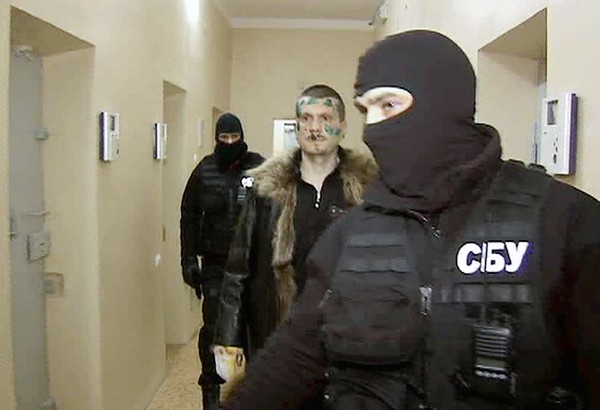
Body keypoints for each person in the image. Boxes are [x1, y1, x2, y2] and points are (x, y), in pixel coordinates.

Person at [218, 31, 600, 410]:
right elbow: (294, 358)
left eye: (388, 104)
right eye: (366, 110)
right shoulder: (351, 233)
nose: (373, 128)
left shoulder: (563, 222)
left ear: (442, 102)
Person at [212, 85, 377, 387]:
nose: (315, 127)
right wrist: (228, 338)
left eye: (325, 118)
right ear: (297, 127)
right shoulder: (265, 189)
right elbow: (237, 269)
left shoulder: (368, 190)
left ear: (342, 127)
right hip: (278, 337)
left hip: (346, 341)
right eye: (306, 118)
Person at [179, 112, 264, 410]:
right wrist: (188, 259)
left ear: (242, 137)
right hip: (215, 265)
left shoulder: (258, 167)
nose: (229, 143)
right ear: (216, 138)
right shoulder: (204, 171)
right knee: (214, 329)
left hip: (252, 265)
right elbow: (189, 215)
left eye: (234, 137)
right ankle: (212, 395)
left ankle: (253, 391)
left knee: (254, 329)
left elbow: (274, 209)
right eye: (224, 138)